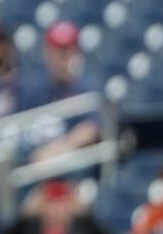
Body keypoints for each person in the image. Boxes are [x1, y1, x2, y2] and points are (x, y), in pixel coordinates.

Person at [17, 22, 102, 164]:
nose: (63, 57)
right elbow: (18, 127)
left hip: (73, 164)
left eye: (68, 51)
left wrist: (59, 151)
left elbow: (91, 129)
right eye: (58, 51)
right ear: (46, 52)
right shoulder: (33, 88)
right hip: (35, 157)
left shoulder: (86, 86)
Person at [3, 179, 113, 234]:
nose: (56, 211)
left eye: (61, 204)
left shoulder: (83, 230)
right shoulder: (30, 227)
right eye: (50, 204)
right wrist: (25, 213)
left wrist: (85, 214)